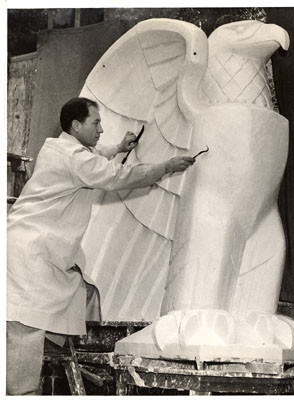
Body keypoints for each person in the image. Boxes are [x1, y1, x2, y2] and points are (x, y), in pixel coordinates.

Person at [6, 97, 195, 395]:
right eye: (96, 123)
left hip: (31, 249)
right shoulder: (75, 159)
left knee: (64, 302)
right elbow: (115, 175)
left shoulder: (59, 148)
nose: (101, 129)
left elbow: (91, 157)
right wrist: (166, 166)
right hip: (30, 254)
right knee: (23, 330)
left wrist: (118, 149)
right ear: (76, 125)